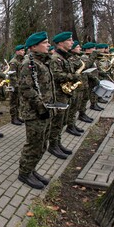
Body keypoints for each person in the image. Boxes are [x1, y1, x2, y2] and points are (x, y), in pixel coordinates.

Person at [18, 32, 56, 189]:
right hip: (35, 113)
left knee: (42, 145)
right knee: (33, 144)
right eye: (45, 42)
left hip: (45, 110)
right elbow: (26, 88)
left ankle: (32, 169)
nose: (48, 45)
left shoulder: (42, 62)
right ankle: (24, 173)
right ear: (34, 46)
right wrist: (41, 107)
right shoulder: (29, 63)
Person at [48, 31, 81, 159]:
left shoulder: (64, 58)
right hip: (58, 95)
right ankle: (53, 145)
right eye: (70, 40)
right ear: (61, 43)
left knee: (61, 122)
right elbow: (56, 76)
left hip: (64, 93)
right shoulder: (55, 58)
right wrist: (73, 77)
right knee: (57, 122)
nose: (72, 43)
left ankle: (58, 143)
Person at [65, 41, 85, 136]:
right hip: (69, 87)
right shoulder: (70, 58)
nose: (80, 48)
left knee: (75, 107)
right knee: (72, 108)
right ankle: (70, 126)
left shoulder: (76, 58)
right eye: (77, 47)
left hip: (76, 86)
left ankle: (72, 124)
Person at [77, 42, 96, 122]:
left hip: (86, 81)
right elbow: (87, 66)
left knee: (85, 99)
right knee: (79, 102)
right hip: (82, 82)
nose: (80, 48)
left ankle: (83, 114)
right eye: (93, 48)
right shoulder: (84, 57)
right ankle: (80, 116)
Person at [8, 44, 25, 125]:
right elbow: (12, 75)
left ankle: (17, 116)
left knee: (18, 102)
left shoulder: (21, 61)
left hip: (19, 85)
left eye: (23, 50)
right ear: (17, 52)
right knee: (13, 102)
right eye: (21, 50)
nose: (23, 52)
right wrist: (17, 85)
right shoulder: (13, 62)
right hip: (14, 86)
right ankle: (13, 118)